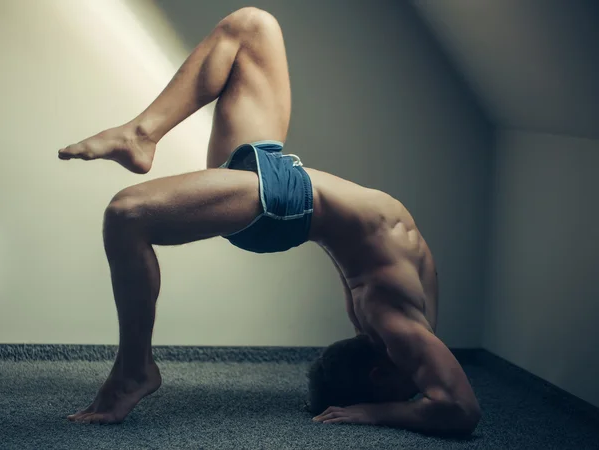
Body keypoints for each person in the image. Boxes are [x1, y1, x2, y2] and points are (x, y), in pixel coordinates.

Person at [58, 7, 481, 435]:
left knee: (127, 214)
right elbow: (450, 402)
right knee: (250, 26)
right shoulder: (396, 330)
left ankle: (134, 371)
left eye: (406, 391)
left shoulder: (388, 323)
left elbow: (462, 411)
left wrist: (375, 413)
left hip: (286, 203)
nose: (416, 387)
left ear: (379, 375)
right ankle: (142, 133)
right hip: (285, 188)